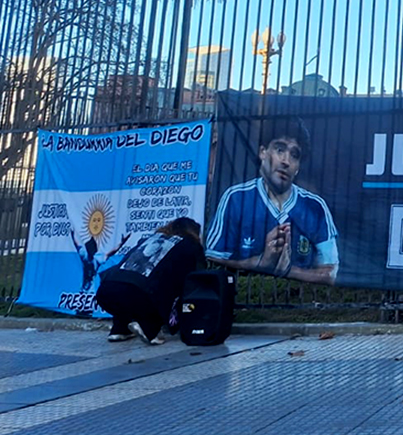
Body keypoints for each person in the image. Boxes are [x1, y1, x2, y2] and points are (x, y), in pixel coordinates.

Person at [206, 117, 339, 285]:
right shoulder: (235, 198)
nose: (286, 161)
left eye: (294, 155)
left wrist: (288, 271)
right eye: (279, 149)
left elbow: (330, 273)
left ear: (298, 167)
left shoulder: (315, 207)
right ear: (263, 152)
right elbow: (213, 259)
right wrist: (261, 262)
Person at [96, 217, 205, 345]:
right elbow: (194, 278)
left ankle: (120, 330)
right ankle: (149, 330)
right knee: (152, 293)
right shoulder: (190, 246)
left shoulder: (150, 239)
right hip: (139, 295)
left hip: (105, 291)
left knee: (127, 290)